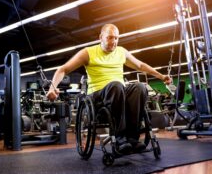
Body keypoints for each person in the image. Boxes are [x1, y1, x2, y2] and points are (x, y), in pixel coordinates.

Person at [46, 24, 171, 154]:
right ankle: (120, 139)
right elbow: (63, 69)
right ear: (101, 37)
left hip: (118, 92)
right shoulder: (88, 53)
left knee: (139, 87)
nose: (114, 42)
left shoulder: (121, 51)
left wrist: (161, 76)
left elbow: (140, 65)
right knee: (116, 85)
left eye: (116, 38)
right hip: (98, 96)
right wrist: (52, 88)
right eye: (110, 38)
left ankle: (132, 139)